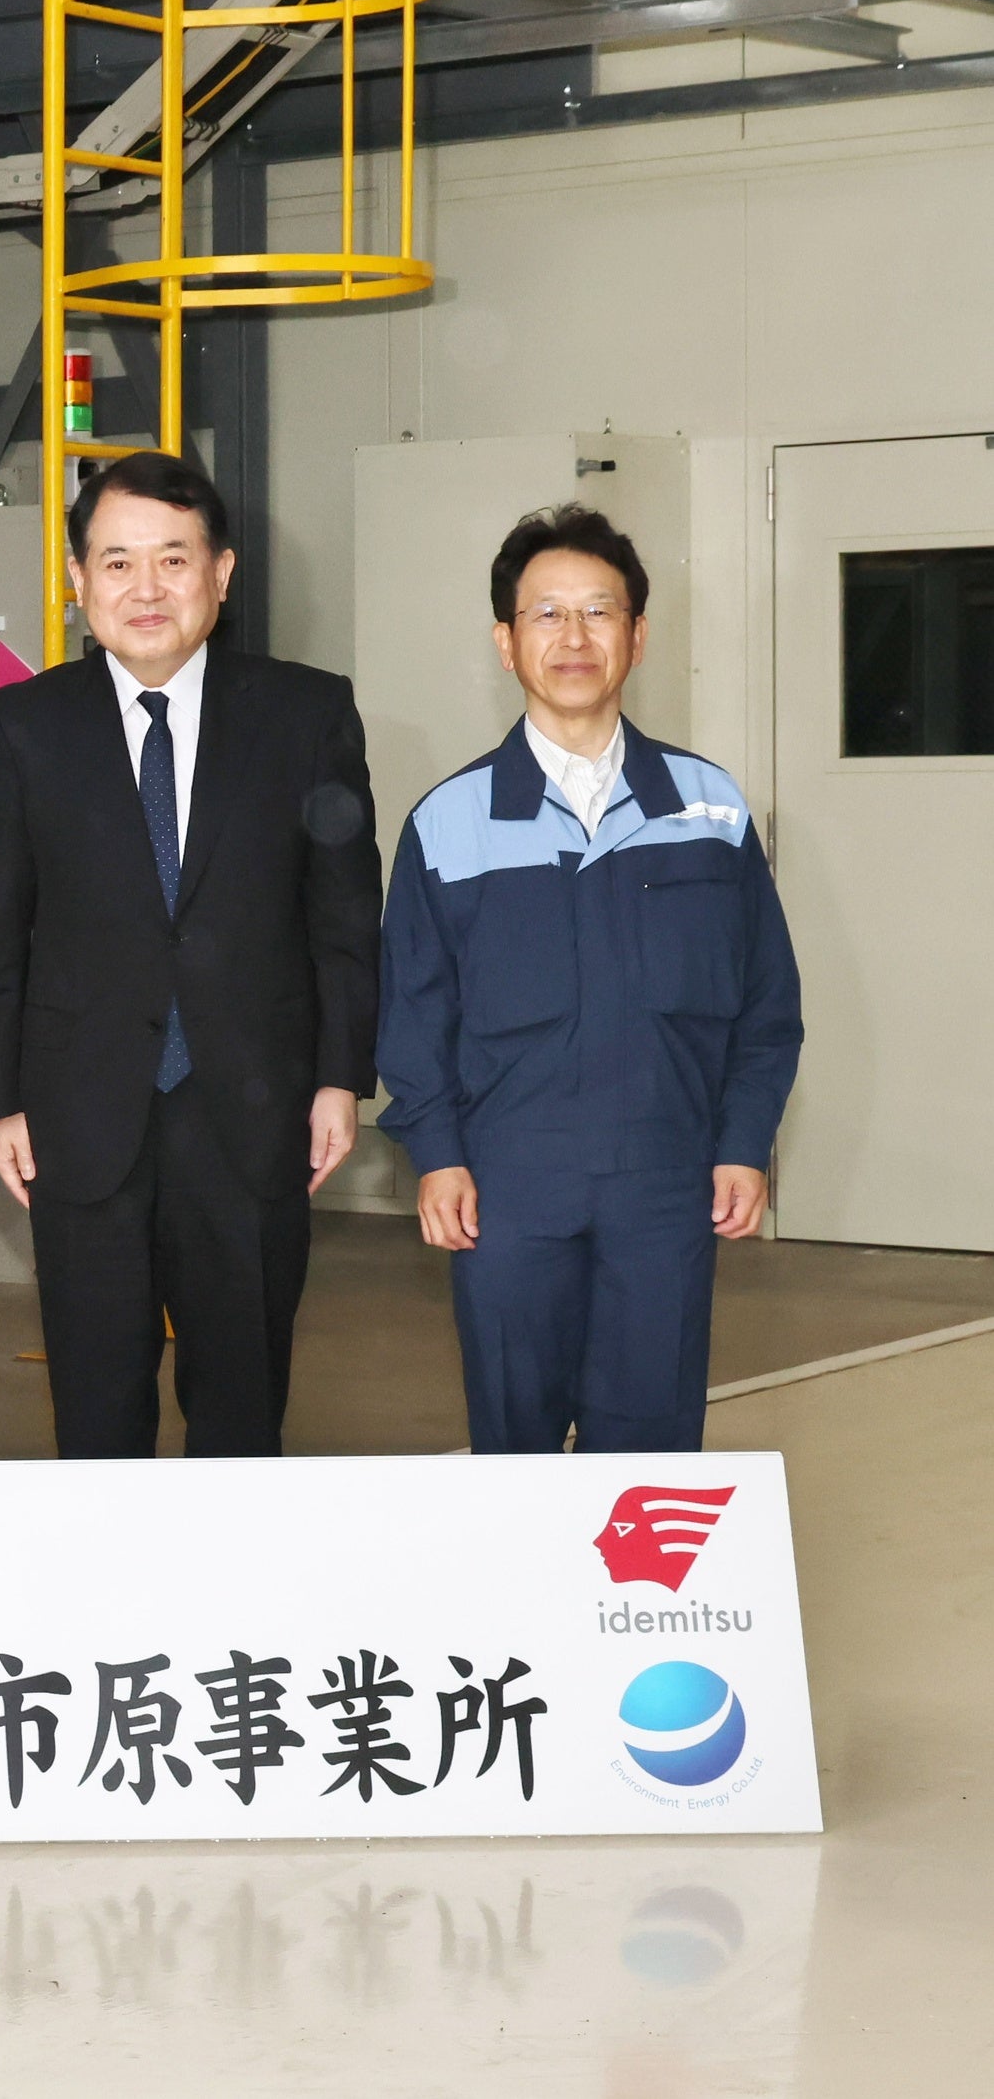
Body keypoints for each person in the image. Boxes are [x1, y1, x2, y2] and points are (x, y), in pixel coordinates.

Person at [0, 448, 380, 1458]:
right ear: (79, 580)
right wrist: (1, 1098)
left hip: (254, 1109)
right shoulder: (21, 727)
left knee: (243, 1405)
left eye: (173, 560)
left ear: (221, 573)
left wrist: (339, 1079)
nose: (145, 588)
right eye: (116, 562)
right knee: (95, 1408)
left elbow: (342, 917)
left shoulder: (306, 714)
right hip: (81, 1114)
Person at [377, 505, 802, 1454]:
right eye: (547, 614)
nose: (574, 638)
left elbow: (768, 1007)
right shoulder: (449, 822)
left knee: (650, 1445)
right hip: (507, 1186)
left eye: (599, 612)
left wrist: (743, 1143)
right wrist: (438, 1155)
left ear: (638, 637)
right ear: (506, 643)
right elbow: (413, 1012)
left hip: (667, 1180)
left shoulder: (709, 808)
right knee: (514, 1438)